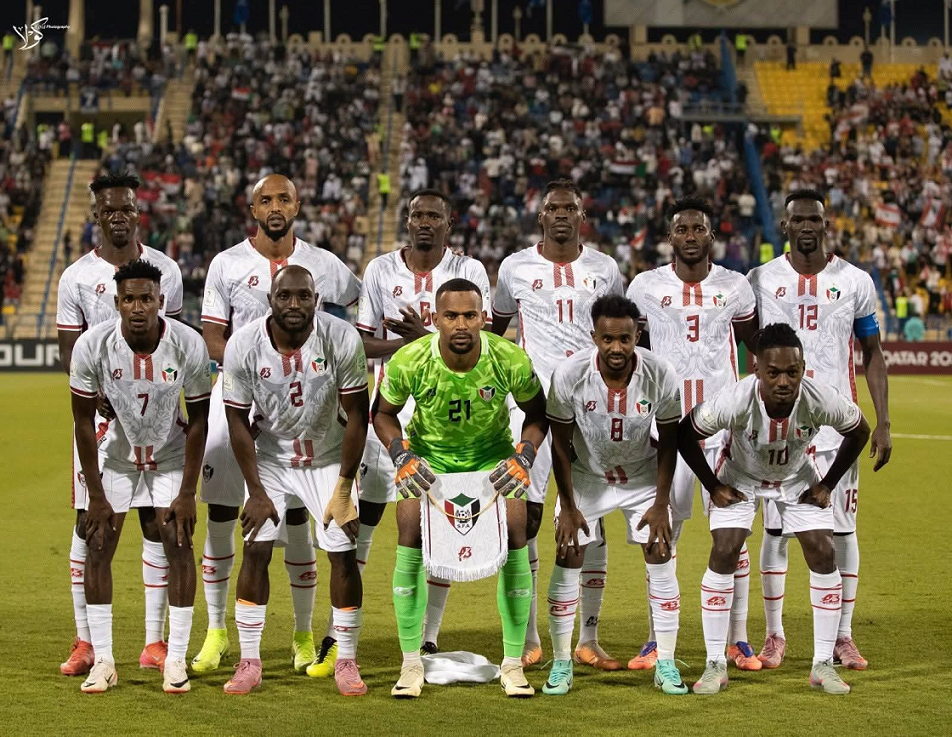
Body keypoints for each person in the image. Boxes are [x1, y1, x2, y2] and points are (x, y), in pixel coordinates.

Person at [194, 173, 361, 674]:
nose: (275, 207)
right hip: (240, 396)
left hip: (307, 405)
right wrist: (251, 377)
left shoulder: (324, 264)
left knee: (301, 517)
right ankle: (217, 632)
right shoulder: (226, 263)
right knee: (225, 511)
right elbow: (213, 334)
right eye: (265, 200)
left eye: (283, 199)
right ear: (253, 209)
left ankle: (304, 635)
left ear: (297, 205)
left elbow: (360, 309)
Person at [373, 278, 548, 699]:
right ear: (435, 319)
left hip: (492, 463)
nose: (461, 324)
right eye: (451, 316)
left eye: (470, 315)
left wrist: (523, 456)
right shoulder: (410, 360)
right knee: (408, 532)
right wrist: (400, 454)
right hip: (428, 463)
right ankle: (410, 662)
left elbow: (538, 413)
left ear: (484, 317)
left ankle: (512, 664)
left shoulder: (509, 358)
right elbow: (382, 414)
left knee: (517, 532)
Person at [679, 323, 870, 695]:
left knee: (823, 551)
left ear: (803, 369)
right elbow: (686, 432)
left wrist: (827, 484)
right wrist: (713, 485)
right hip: (740, 476)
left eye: (792, 372)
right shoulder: (734, 399)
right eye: (774, 373)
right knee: (725, 549)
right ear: (756, 369)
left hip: (796, 478)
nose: (784, 381)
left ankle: (822, 665)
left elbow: (859, 430)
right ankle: (715, 664)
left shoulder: (819, 398)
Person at [748, 189, 891, 670]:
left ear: (826, 225)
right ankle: (774, 635)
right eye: (798, 220)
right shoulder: (761, 279)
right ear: (785, 226)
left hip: (835, 433)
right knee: (775, 531)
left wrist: (883, 421)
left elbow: (872, 353)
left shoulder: (854, 281)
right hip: (776, 431)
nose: (807, 226)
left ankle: (842, 636)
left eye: (815, 219)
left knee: (843, 532)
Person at [489, 179, 625, 669]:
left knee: (591, 520)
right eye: (553, 208)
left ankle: (588, 637)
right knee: (521, 520)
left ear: (582, 216)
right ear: (541, 216)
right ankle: (528, 638)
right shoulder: (514, 267)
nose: (562, 214)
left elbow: (619, 334)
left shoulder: (605, 268)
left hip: (590, 411)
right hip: (532, 411)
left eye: (570, 208)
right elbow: (495, 336)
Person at [352, 189, 491, 664]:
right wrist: (414, 345)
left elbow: (480, 342)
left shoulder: (469, 271)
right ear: (407, 221)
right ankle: (341, 633)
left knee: (441, 526)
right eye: (417, 215)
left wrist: (424, 338)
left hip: (446, 419)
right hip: (386, 417)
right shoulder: (379, 270)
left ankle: (428, 636)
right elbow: (362, 344)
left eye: (434, 215)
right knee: (365, 522)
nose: (425, 222)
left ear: (449, 223)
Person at [56, 174, 184, 678]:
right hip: (101, 419)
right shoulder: (75, 278)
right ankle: (86, 641)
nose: (118, 216)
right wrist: (105, 398)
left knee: (156, 521)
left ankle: (154, 643)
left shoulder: (165, 270)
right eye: (108, 209)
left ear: (137, 213)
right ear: (96, 215)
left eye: (126, 208)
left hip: (158, 417)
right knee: (91, 523)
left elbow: (173, 341)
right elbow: (70, 355)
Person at [220, 266, 370, 696]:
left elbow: (358, 416)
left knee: (342, 553)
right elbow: (236, 419)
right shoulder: (243, 344)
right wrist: (256, 491)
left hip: (327, 457)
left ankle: (346, 659)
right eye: (284, 296)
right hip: (270, 458)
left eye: (304, 296)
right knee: (256, 548)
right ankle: (250, 661)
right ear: (270, 299)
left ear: (316, 300)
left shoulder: (341, 338)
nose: (294, 304)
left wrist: (344, 488)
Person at [627, 197, 760, 672]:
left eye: (698, 228)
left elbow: (755, 347)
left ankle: (739, 639)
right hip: (666, 429)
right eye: (681, 229)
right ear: (670, 237)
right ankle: (654, 639)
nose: (689, 236)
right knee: (660, 536)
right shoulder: (645, 287)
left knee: (733, 537)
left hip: (725, 432)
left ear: (710, 235)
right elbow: (636, 352)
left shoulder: (736, 287)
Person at [69, 259, 210, 694]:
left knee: (179, 543)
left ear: (160, 300)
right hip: (116, 458)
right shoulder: (92, 345)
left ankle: (176, 658)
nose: (137, 307)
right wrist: (94, 495)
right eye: (128, 299)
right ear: (117, 302)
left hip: (169, 457)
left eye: (145, 298)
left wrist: (188, 491)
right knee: (97, 544)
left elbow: (200, 420)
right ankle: (104, 661)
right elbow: (82, 423)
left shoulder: (187, 343)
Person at [544, 295, 687, 696]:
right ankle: (561, 662)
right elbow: (559, 445)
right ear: (594, 337)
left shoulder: (660, 373)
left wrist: (661, 504)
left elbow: (670, 441)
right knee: (569, 551)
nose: (617, 348)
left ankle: (666, 662)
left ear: (637, 335)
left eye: (625, 338)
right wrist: (567, 506)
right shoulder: (570, 374)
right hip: (587, 477)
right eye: (607, 339)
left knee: (660, 551)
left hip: (642, 478)